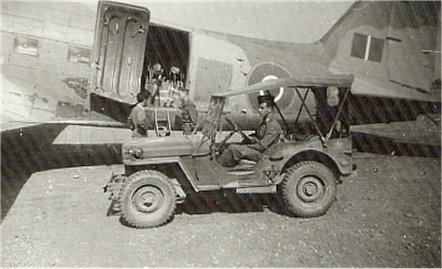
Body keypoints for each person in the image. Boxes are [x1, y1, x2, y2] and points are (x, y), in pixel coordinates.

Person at [218, 95, 282, 167]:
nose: (259, 110)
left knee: (232, 149)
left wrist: (248, 146)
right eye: (259, 107)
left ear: (269, 109)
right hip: (259, 151)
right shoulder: (265, 123)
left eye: (262, 108)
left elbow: (262, 146)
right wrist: (251, 139)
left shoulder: (273, 125)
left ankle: (217, 170)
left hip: (265, 155)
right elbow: (259, 138)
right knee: (228, 147)